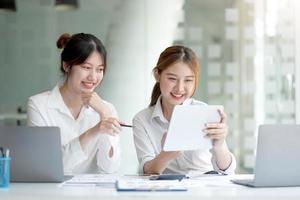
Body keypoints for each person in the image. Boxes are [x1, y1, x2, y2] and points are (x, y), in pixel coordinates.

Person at [133, 45, 236, 175]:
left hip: (205, 186)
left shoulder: (202, 111)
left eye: (188, 80)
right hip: (169, 189)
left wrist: (219, 145)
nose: (180, 88)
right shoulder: (142, 120)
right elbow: (147, 170)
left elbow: (227, 170)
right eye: (172, 79)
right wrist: (168, 153)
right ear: (157, 75)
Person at [27, 33, 121, 175]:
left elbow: (110, 169)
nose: (93, 77)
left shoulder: (106, 109)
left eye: (100, 69)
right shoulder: (38, 105)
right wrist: (93, 131)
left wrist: (105, 114)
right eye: (86, 67)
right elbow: (46, 167)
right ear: (66, 65)